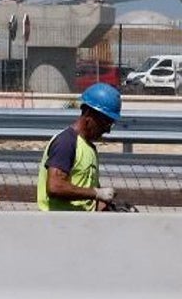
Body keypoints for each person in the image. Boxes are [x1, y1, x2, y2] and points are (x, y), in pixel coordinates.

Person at [36, 82, 121, 211]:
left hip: (78, 225)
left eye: (111, 124)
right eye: (105, 123)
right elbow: (55, 187)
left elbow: (86, 198)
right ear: (88, 114)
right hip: (57, 225)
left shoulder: (89, 148)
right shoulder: (66, 143)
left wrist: (105, 205)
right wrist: (97, 193)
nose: (107, 130)